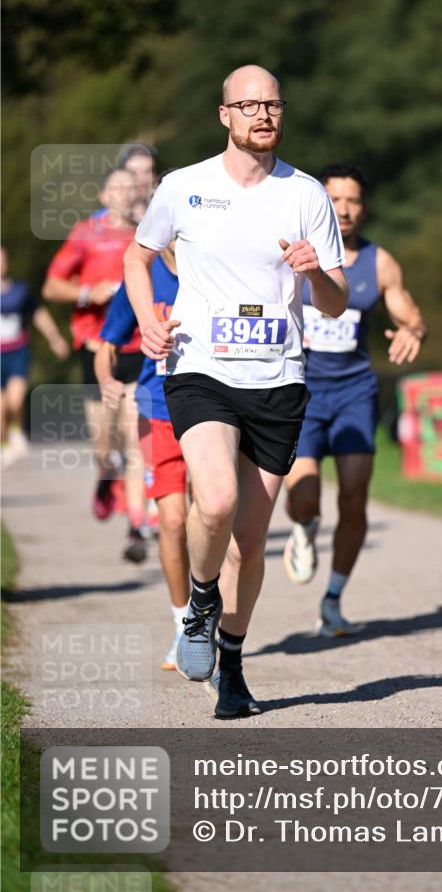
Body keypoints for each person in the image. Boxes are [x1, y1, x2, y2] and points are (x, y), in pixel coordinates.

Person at [124, 64, 347, 718]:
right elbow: (138, 258)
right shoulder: (183, 186)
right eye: (248, 105)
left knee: (250, 545)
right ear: (224, 115)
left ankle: (233, 666)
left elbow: (333, 303)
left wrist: (315, 273)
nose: (262, 115)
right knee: (214, 499)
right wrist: (145, 320)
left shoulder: (306, 195)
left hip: (278, 378)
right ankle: (198, 602)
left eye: (272, 104)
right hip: (199, 368)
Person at [282, 164, 427, 636]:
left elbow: (408, 311)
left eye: (353, 200)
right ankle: (304, 529)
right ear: (319, 202)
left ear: (364, 208)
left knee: (355, 496)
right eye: (335, 199)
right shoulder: (292, 251)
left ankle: (333, 599)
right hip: (300, 389)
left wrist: (413, 331)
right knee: (303, 497)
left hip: (354, 391)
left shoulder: (378, 262)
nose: (343, 209)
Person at [42, 168, 148, 559]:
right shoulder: (87, 233)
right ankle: (106, 475)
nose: (124, 193)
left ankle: (136, 526)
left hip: (138, 347)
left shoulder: (148, 233)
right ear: (104, 195)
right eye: (116, 187)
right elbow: (51, 286)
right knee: (104, 441)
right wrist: (89, 291)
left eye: (130, 186)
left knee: (136, 438)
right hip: (95, 348)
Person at [95, 240, 189, 662]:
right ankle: (183, 624)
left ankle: (210, 613)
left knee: (216, 514)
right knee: (172, 520)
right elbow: (107, 344)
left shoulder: (219, 263)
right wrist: (107, 381)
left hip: (221, 409)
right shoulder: (142, 275)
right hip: (158, 408)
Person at [1, 247, 69, 466]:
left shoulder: (21, 290)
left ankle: (17, 430)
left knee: (16, 399)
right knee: (1, 407)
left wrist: (55, 338)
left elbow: (39, 314)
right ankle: (5, 444)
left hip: (17, 352)